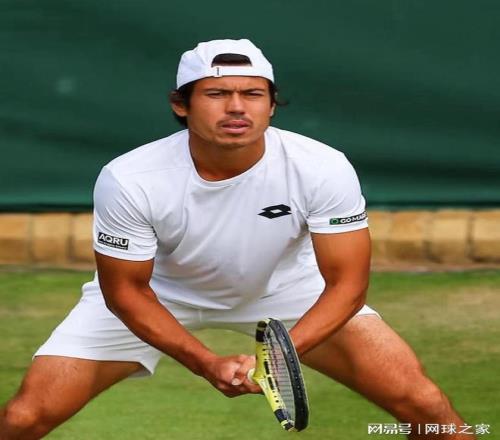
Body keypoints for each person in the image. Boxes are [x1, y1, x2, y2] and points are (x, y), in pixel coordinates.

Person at [0, 39, 473, 440]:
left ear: (271, 104)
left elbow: (347, 285)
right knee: (24, 418)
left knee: (428, 409)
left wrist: (278, 356)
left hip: (288, 291)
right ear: (180, 104)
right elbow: (124, 291)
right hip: (159, 295)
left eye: (252, 94)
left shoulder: (322, 166)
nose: (236, 107)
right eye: (217, 93)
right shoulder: (129, 178)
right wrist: (204, 361)